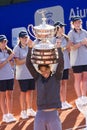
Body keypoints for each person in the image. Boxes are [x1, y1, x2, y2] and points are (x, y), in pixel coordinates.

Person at [26, 40, 64, 130]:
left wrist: (58, 48)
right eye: (42, 71)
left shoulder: (56, 76)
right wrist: (30, 48)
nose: (44, 73)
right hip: (40, 114)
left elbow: (61, 63)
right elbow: (28, 64)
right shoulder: (38, 77)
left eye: (46, 70)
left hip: (53, 115)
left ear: (50, 68)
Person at [13, 31, 36, 119]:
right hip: (22, 75)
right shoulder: (16, 48)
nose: (25, 39)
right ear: (19, 39)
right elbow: (18, 62)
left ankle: (29, 109)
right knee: (23, 92)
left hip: (31, 74)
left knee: (30, 91)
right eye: (23, 38)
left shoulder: (30, 47)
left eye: (26, 37)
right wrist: (28, 59)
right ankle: (23, 111)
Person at [51, 21, 72, 110]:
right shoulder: (52, 39)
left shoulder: (66, 38)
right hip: (57, 66)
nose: (63, 28)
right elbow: (54, 51)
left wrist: (68, 47)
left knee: (64, 83)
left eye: (63, 27)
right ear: (57, 29)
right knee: (58, 84)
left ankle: (64, 101)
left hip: (66, 64)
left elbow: (69, 50)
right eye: (61, 27)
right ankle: (58, 102)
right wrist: (64, 47)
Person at [68, 16, 87, 103]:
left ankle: (83, 96)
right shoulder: (70, 34)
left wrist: (85, 44)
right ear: (73, 24)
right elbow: (71, 47)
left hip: (85, 59)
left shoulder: (85, 32)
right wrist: (81, 43)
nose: (77, 24)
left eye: (79, 22)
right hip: (76, 61)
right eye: (76, 23)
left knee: (85, 78)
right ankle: (79, 98)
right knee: (78, 79)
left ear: (81, 23)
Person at [0, 35, 16, 123]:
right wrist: (7, 60)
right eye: (2, 42)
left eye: (5, 41)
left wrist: (11, 61)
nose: (3, 43)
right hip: (1, 78)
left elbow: (12, 65)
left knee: (9, 95)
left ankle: (10, 114)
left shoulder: (9, 51)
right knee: (2, 96)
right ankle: (5, 115)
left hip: (10, 76)